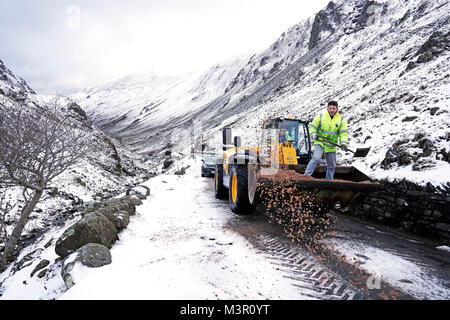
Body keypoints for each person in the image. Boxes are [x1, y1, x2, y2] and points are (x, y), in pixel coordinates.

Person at [305, 101, 348, 180]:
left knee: (331, 165)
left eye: (333, 108)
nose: (332, 110)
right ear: (327, 108)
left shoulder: (341, 120)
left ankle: (329, 181)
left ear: (337, 109)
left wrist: (343, 143)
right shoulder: (321, 116)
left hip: (332, 145)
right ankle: (305, 177)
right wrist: (313, 134)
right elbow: (312, 127)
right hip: (320, 141)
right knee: (316, 158)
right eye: (330, 108)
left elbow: (343, 133)